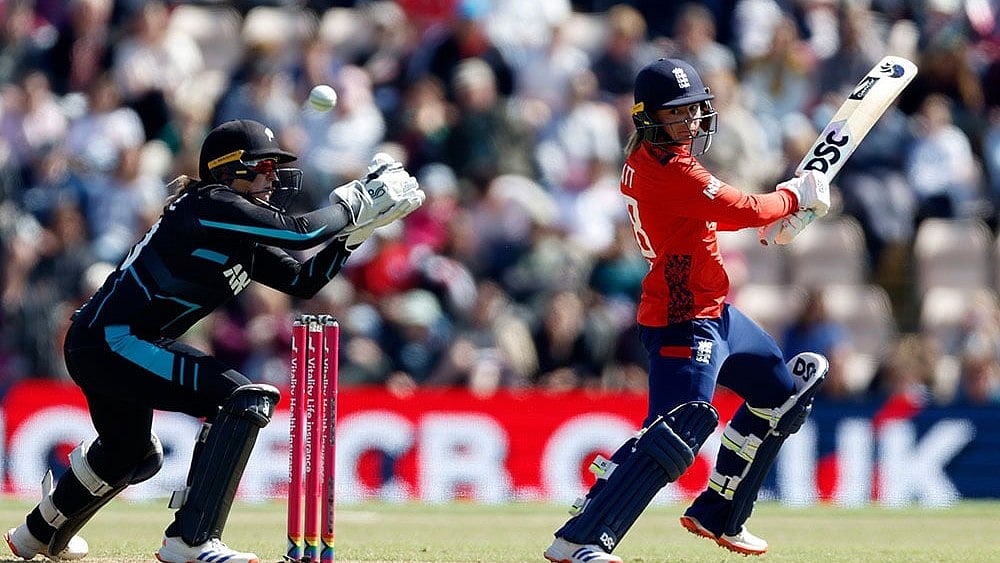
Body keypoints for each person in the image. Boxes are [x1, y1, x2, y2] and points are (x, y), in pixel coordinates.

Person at [4, 118, 424, 563]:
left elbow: (303, 281)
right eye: (262, 166)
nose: (272, 178)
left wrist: (352, 236)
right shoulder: (209, 201)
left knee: (132, 453)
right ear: (228, 170)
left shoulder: (232, 225)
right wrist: (358, 198)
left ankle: (37, 534)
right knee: (242, 398)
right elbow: (303, 231)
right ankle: (190, 539)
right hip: (113, 339)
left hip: (105, 341)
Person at [543, 58, 831, 563]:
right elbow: (741, 208)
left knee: (782, 395)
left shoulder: (664, 161)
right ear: (648, 119)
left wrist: (778, 214)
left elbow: (718, 219)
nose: (692, 122)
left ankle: (720, 512)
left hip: (715, 311)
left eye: (696, 110)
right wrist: (791, 197)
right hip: (681, 320)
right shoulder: (666, 169)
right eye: (678, 115)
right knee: (675, 432)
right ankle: (579, 540)